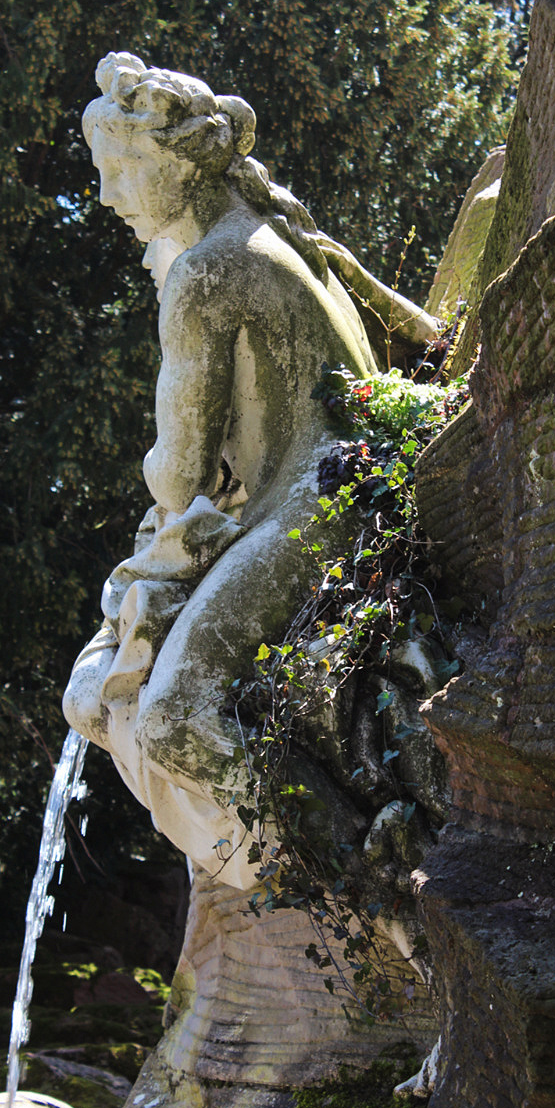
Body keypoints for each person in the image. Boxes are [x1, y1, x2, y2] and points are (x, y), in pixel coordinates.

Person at [63, 53, 378, 886]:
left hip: (319, 505)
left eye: (119, 169)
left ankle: (367, 881)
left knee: (173, 719)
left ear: (173, 164)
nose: (108, 196)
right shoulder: (285, 239)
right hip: (347, 486)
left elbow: (179, 478)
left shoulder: (205, 271)